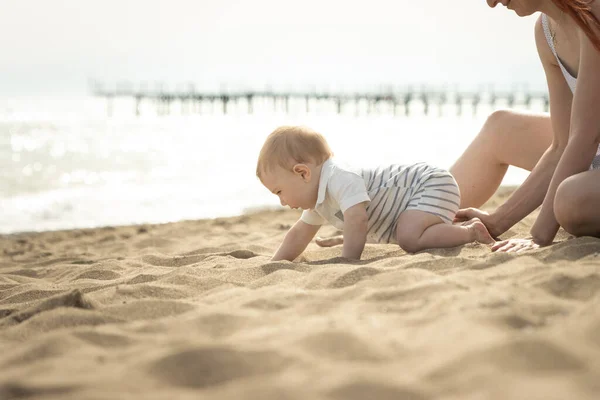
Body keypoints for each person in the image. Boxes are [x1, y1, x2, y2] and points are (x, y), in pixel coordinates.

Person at [450, 0, 600, 252]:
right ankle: (419, 217)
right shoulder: (546, 32)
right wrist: (497, 222)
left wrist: (539, 237)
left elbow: (586, 137)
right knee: (501, 128)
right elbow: (562, 145)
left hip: (591, 146)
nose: (491, 2)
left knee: (569, 201)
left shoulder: (594, 12)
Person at [256, 126, 494, 261]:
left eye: (279, 192)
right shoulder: (319, 198)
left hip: (427, 183)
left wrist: (348, 259)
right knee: (412, 233)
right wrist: (276, 262)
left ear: (302, 173)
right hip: (416, 198)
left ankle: (470, 233)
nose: (282, 202)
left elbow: (357, 220)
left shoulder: (339, 177)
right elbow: (299, 234)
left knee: (409, 238)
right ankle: (453, 226)